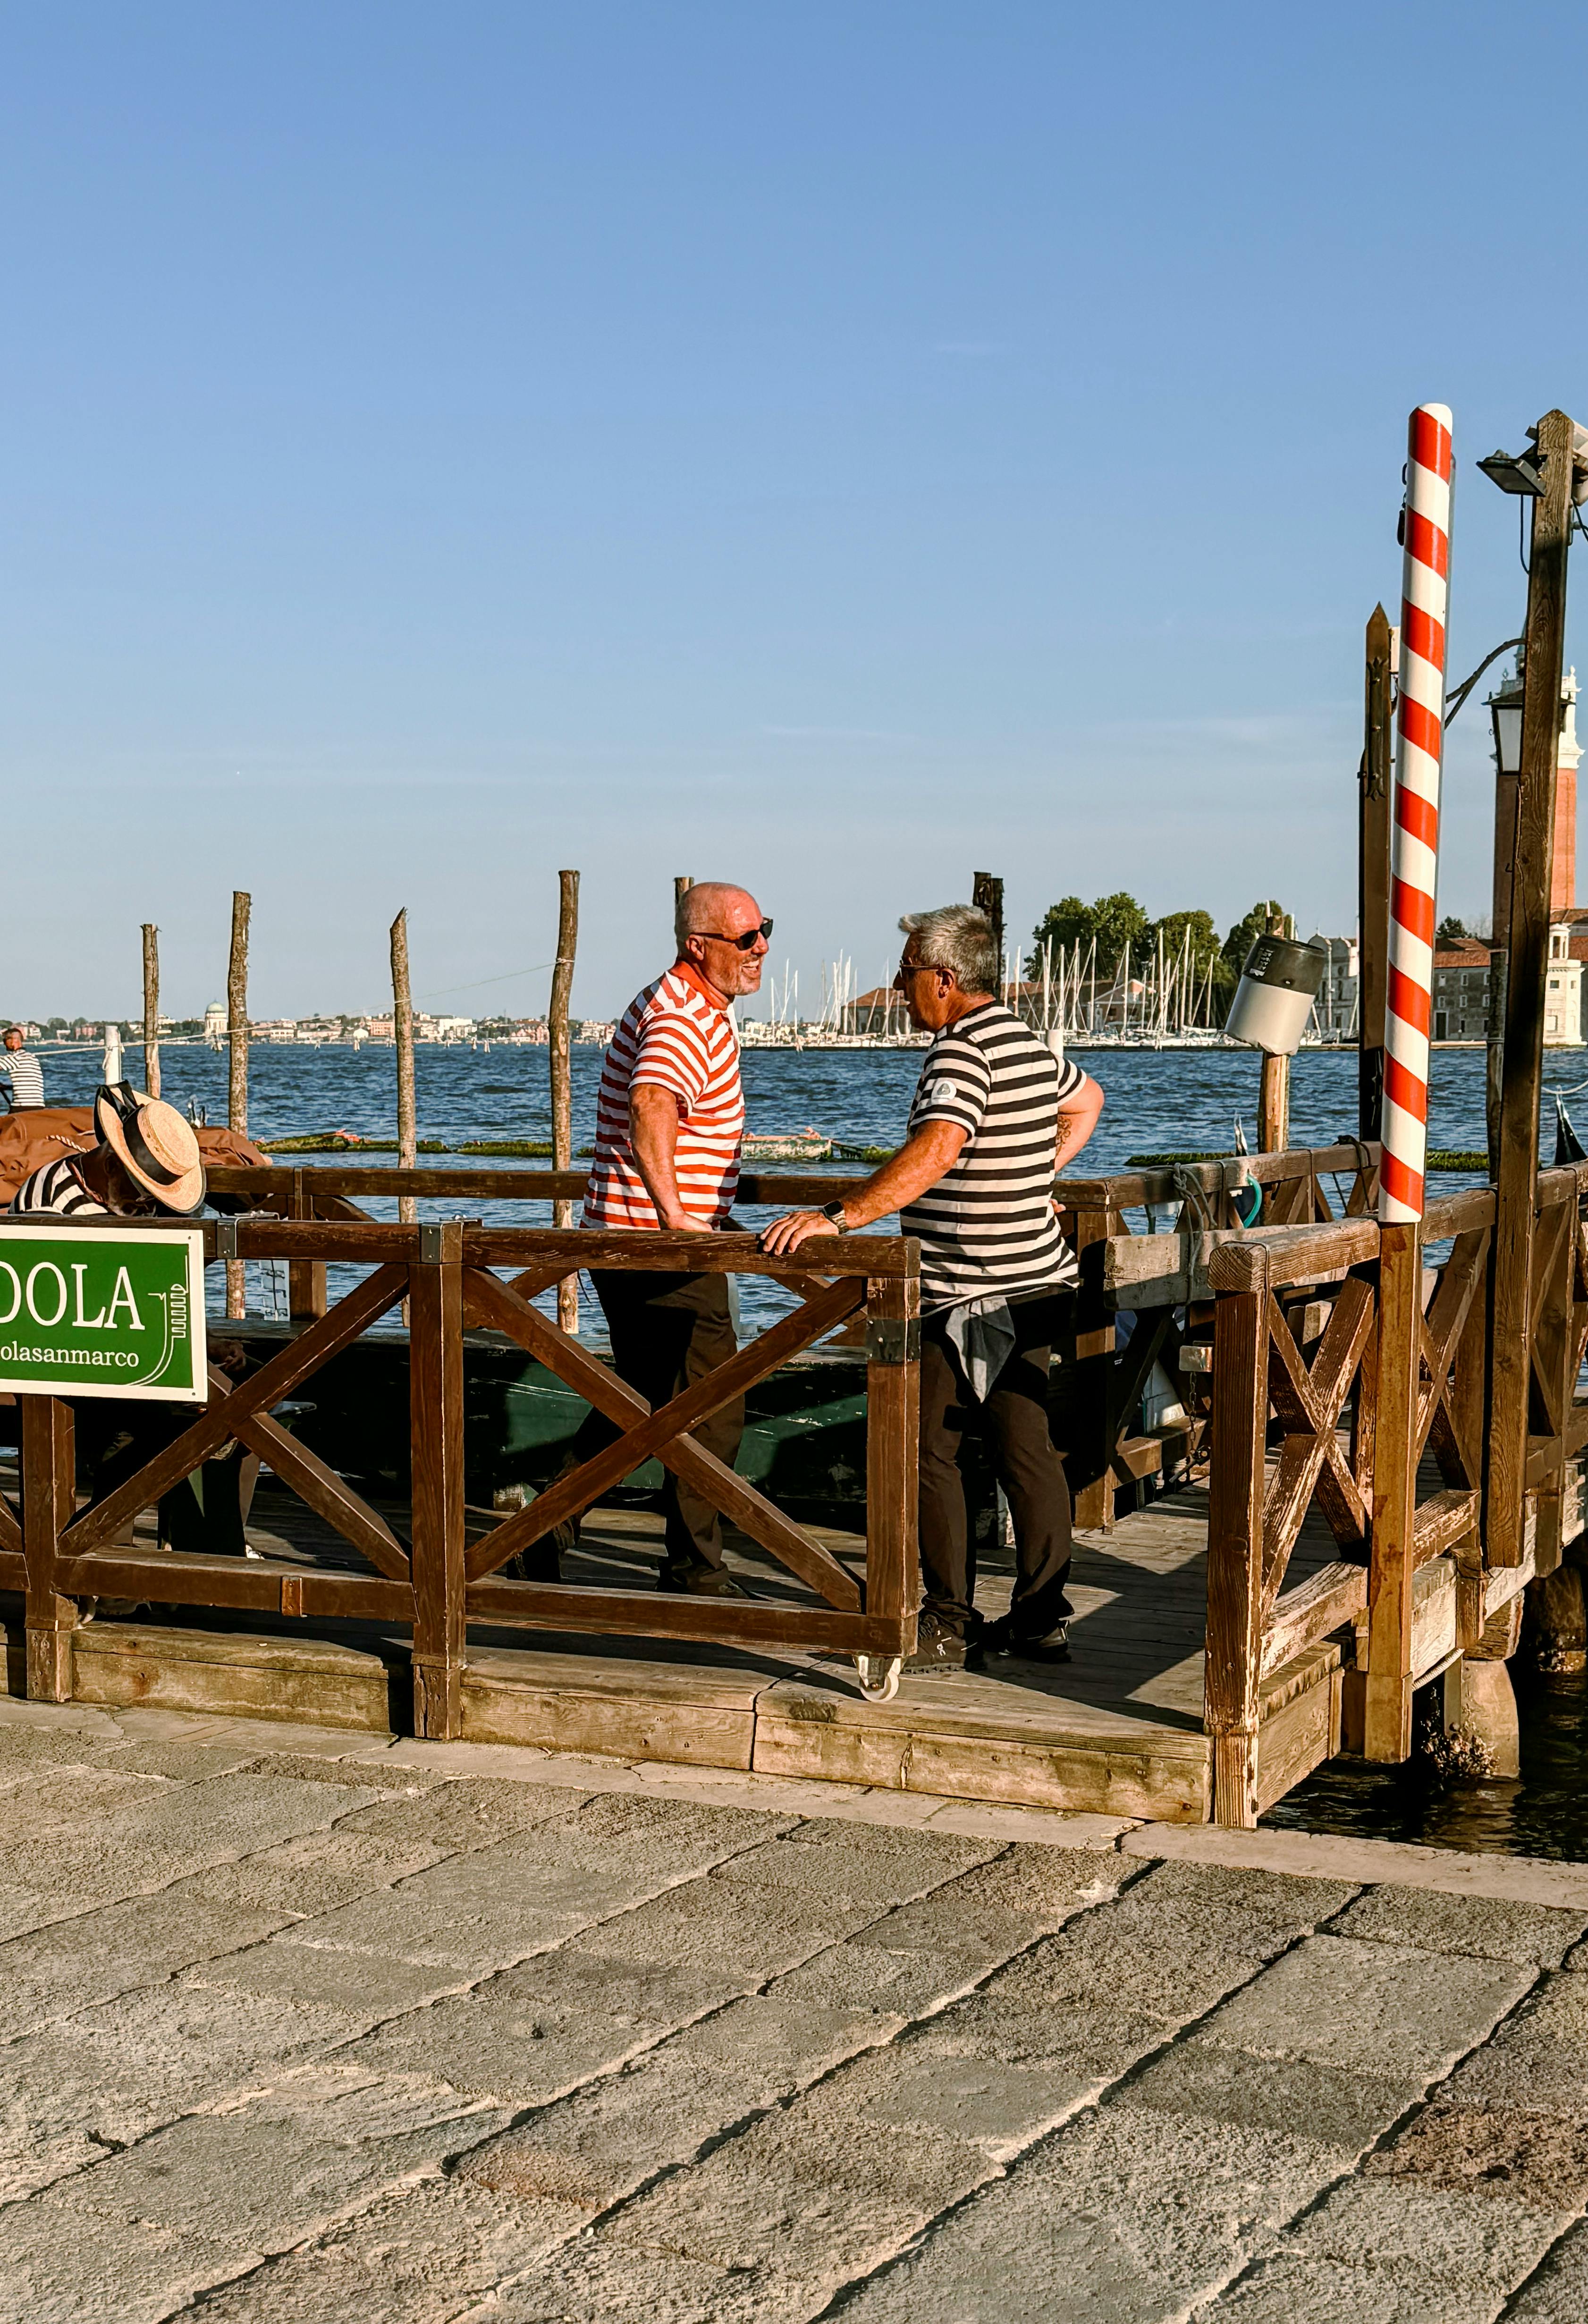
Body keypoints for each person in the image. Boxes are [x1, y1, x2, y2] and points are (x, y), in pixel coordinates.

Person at [760, 903, 1103, 1675]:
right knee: (1025, 1452)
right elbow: (1086, 1101)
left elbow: (940, 1145)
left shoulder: (958, 1051)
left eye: (907, 970)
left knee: (926, 1450)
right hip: (1035, 1276)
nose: (896, 984)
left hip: (968, 1289)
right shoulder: (1021, 1038)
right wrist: (1034, 1175)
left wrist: (836, 1216)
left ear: (944, 979)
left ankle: (945, 1623)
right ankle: (1041, 1618)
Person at [566, 882, 771, 1595]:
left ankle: (550, 1526)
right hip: (660, 1250)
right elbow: (652, 1101)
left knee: (643, 1398)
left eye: (763, 931)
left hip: (628, 1239)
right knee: (713, 1403)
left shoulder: (687, 1004)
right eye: (745, 939)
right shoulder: (683, 1013)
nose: (762, 949)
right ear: (700, 944)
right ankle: (695, 1567)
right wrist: (680, 1216)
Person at [9, 1082, 205, 1218]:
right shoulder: (51, 1202)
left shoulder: (125, 1201)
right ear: (111, 1165)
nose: (148, 1206)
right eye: (144, 1193)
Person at [0, 1027, 44, 1110]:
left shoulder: (15, 1058)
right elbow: (28, 1084)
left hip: (22, 1107)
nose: (4, 1044)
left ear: (12, 1041)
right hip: (39, 1107)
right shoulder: (33, 1058)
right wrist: (6, 1087)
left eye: (5, 1040)